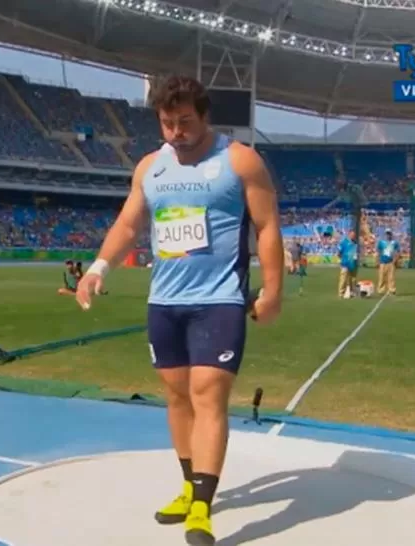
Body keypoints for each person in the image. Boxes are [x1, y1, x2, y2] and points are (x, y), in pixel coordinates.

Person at [75, 74, 283, 546]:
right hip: (165, 302)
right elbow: (129, 223)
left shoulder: (240, 161)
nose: (176, 132)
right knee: (177, 398)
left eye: (185, 122)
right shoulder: (151, 167)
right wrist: (98, 267)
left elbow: (268, 226)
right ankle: (190, 487)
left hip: (220, 299)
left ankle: (202, 508)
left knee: (207, 394)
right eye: (167, 123)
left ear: (205, 116)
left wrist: (273, 290)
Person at [376, 229, 399, 295]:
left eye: (389, 234)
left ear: (391, 234)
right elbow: (378, 251)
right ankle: (381, 290)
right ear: (385, 234)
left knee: (391, 277)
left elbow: (398, 251)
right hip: (382, 262)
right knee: (381, 277)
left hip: (390, 262)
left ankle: (392, 290)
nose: (388, 235)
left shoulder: (394, 242)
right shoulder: (381, 242)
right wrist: (377, 260)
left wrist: (395, 260)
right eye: (387, 234)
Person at [338, 229, 359, 298]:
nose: (353, 236)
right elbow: (339, 253)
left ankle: (352, 292)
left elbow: (356, 253)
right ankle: (341, 293)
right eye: (352, 235)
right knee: (343, 279)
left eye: (354, 235)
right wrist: (343, 259)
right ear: (349, 234)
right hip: (345, 264)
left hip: (353, 264)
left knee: (353, 279)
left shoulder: (355, 243)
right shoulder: (344, 242)